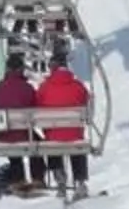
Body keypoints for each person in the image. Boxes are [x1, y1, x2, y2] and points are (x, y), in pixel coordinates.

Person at [37, 45, 91, 198]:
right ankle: (80, 181)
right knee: (75, 142)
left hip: (53, 133)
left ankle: (59, 177)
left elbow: (38, 106)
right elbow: (85, 100)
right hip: (74, 131)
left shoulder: (44, 87)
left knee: (52, 141)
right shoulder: (78, 85)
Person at [0, 52, 41, 195]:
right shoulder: (27, 88)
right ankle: (37, 177)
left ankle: (16, 178)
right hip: (24, 134)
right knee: (37, 142)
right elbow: (35, 111)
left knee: (13, 143)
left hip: (2, 134)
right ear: (20, 69)